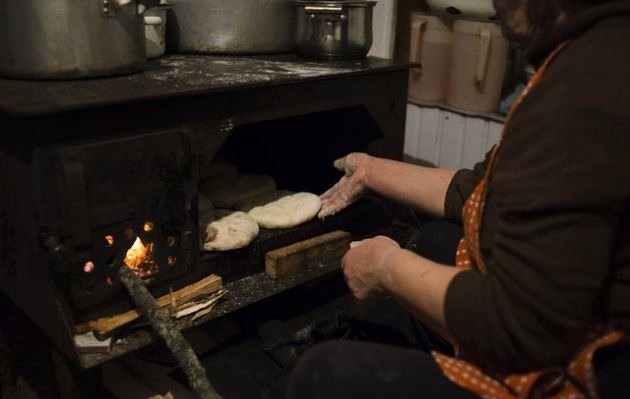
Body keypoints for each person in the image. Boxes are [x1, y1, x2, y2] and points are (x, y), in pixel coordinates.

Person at [285, 0, 630, 398]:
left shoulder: (586, 87)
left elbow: (521, 331)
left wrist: (384, 267)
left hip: (599, 373)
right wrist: (371, 171)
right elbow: (485, 189)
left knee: (327, 375)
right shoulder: (598, 50)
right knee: (436, 241)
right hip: (567, 322)